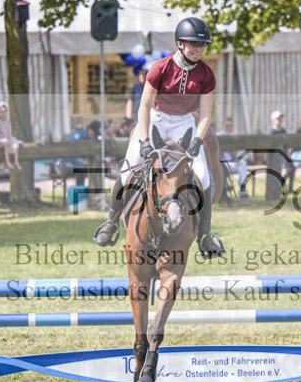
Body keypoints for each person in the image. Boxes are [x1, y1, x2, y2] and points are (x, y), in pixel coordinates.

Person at [94, 16, 224, 258]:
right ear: (179, 43)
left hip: (185, 124)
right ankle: (111, 222)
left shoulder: (207, 74)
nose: (198, 49)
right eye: (193, 44)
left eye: (202, 45)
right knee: (126, 171)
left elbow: (206, 114)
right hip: (155, 120)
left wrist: (197, 140)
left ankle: (205, 234)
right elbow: (143, 106)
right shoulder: (160, 68)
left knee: (204, 178)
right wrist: (144, 141)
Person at [51, 120, 101, 186]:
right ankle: (79, 191)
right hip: (62, 164)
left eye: (97, 135)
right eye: (94, 134)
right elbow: (70, 152)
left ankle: (92, 191)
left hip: (74, 164)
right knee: (81, 169)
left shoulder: (91, 139)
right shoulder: (78, 136)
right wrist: (83, 161)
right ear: (89, 129)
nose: (95, 137)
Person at [217, 116, 249, 199]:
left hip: (231, 163)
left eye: (231, 126)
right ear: (223, 125)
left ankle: (243, 190)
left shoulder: (233, 137)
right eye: (227, 125)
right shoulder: (217, 136)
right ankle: (223, 192)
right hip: (220, 164)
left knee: (242, 163)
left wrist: (233, 148)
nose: (229, 127)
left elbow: (234, 155)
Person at [0, 102, 22, 171]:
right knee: (6, 142)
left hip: (7, 138)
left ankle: (16, 162)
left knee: (15, 143)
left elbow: (9, 134)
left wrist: (14, 140)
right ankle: (7, 162)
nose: (3, 113)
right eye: (1, 112)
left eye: (4, 111)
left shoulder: (7, 121)